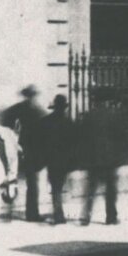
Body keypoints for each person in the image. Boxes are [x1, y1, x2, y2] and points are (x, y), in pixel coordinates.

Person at [0, 85, 46, 221]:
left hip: (21, 149)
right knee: (30, 184)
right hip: (30, 151)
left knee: (16, 180)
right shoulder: (37, 111)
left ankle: (10, 211)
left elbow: (6, 119)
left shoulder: (18, 109)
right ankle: (31, 214)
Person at [79, 98, 124, 225]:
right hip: (110, 159)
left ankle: (86, 216)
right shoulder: (114, 115)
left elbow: (82, 137)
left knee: (91, 190)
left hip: (93, 158)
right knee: (110, 191)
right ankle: (111, 217)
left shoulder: (89, 116)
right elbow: (120, 136)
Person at [39, 93, 76, 223]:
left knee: (55, 188)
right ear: (64, 107)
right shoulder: (68, 122)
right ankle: (58, 213)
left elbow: (41, 142)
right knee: (59, 187)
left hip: (51, 159)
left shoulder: (46, 121)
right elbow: (73, 143)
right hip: (64, 160)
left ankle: (58, 214)